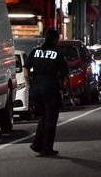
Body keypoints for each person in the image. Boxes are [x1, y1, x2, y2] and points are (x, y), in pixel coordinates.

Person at [23, 28, 72, 156]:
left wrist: (30, 84)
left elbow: (26, 69)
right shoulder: (57, 53)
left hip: (36, 87)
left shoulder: (35, 51)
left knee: (43, 117)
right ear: (55, 39)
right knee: (51, 119)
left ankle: (37, 144)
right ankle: (46, 148)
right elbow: (65, 75)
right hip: (50, 87)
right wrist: (69, 92)